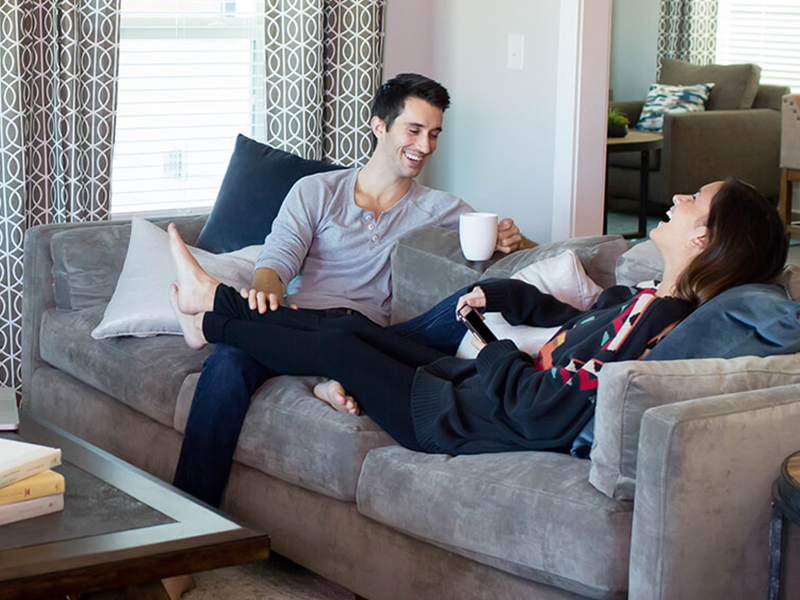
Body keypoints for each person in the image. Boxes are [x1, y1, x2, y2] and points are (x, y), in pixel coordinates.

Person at [167, 177, 789, 456]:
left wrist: (493, 346)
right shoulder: (648, 298)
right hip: (470, 392)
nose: (678, 198)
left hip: (457, 418)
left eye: (694, 199)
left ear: (705, 240)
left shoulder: (659, 322)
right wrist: (503, 297)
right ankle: (210, 312)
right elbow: (570, 322)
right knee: (345, 328)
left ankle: (211, 309)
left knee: (339, 345)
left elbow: (545, 405)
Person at [173, 73, 535, 507]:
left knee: (363, 331)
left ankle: (214, 313)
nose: (425, 145)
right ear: (379, 126)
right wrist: (265, 293)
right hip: (299, 324)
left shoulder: (442, 210)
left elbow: (525, 254)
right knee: (230, 360)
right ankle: (189, 525)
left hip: (370, 339)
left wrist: (517, 240)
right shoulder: (317, 191)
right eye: (414, 130)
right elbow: (276, 260)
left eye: (434, 134)